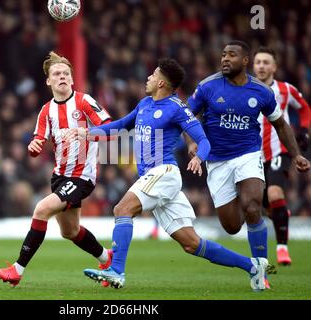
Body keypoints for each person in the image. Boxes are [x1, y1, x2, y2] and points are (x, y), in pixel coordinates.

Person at [67, 58, 274, 292]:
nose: (148, 78)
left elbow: (203, 140)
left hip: (164, 172)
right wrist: (87, 133)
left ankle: (116, 270)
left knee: (121, 210)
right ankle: (253, 265)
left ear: (162, 83)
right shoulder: (145, 103)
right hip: (156, 178)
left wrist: (198, 157)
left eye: (153, 75)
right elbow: (121, 125)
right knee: (191, 244)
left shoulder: (177, 108)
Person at [186, 41, 310, 287]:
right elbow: (187, 117)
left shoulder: (261, 92)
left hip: (249, 154)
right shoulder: (207, 86)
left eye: (231, 55)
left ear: (245, 61)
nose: (225, 59)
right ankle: (259, 219)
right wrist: (192, 142)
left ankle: (260, 272)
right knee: (232, 226)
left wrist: (296, 154)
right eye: (223, 54)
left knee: (252, 205)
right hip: (217, 161)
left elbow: (280, 124)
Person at [0, 51, 113, 287]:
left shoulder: (84, 102)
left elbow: (111, 130)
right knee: (70, 231)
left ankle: (17, 270)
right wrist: (33, 146)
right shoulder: (46, 111)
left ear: (72, 78)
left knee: (41, 209)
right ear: (48, 81)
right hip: (60, 176)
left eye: (66, 73)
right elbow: (37, 146)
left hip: (82, 176)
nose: (62, 77)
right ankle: (106, 258)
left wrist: (84, 132)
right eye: (56, 74)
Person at [253, 46, 310, 265]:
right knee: (261, 204)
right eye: (258, 62)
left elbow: (304, 108)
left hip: (279, 151)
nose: (261, 66)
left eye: (266, 62)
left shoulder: (286, 89)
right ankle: (280, 216)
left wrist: (303, 130)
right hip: (252, 156)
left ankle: (282, 249)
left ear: (274, 67)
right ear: (253, 65)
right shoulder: (245, 89)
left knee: (276, 194)